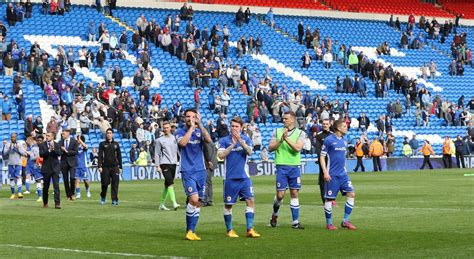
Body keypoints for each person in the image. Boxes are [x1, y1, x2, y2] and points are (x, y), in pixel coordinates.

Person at [218, 116, 260, 238]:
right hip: (230, 178)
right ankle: (229, 229)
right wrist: (232, 145)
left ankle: (250, 229)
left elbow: (250, 152)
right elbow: (221, 156)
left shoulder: (246, 139)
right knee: (228, 205)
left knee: (250, 200)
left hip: (244, 177)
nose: (234, 128)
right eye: (232, 126)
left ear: (241, 128)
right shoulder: (224, 140)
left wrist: (240, 141)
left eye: (236, 126)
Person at [176, 109, 212, 241]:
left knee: (197, 202)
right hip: (187, 171)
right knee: (194, 199)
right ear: (184, 118)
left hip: (201, 171)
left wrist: (200, 125)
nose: (190, 118)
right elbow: (183, 143)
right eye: (188, 116)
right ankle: (190, 230)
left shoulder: (199, 131)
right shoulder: (180, 132)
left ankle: (191, 230)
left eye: (193, 116)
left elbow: (208, 140)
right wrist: (191, 128)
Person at [268, 111, 305, 229]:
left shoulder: (300, 133)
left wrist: (286, 139)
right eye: (283, 119)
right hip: (281, 166)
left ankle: (295, 222)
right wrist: (281, 140)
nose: (284, 120)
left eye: (286, 119)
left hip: (294, 166)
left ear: (292, 120)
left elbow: (298, 148)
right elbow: (270, 148)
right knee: (280, 195)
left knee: (294, 193)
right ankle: (275, 214)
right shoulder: (277, 131)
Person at [319, 120, 357, 230]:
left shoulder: (345, 140)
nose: (346, 128)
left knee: (351, 194)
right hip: (332, 174)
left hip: (343, 174)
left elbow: (342, 158)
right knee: (329, 200)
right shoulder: (328, 140)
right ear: (338, 128)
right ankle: (329, 223)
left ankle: (345, 221)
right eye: (344, 126)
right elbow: (322, 157)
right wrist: (325, 172)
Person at [155, 121, 180, 211]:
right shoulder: (159, 140)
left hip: (173, 163)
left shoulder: (175, 138)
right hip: (164, 163)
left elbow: (178, 151)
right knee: (170, 183)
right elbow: (157, 154)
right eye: (164, 128)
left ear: (170, 128)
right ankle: (174, 203)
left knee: (167, 184)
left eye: (167, 127)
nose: (165, 129)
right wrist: (157, 166)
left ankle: (162, 204)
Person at [98, 128, 123, 205]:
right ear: (106, 134)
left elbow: (119, 156)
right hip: (105, 167)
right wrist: (99, 166)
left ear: (112, 134)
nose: (108, 134)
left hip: (115, 167)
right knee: (104, 183)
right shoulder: (102, 144)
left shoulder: (116, 144)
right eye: (107, 133)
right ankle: (103, 196)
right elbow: (100, 156)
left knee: (115, 184)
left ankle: (114, 200)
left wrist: (120, 167)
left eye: (110, 133)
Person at [39, 132, 62, 209]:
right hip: (46, 169)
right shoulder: (42, 144)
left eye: (48, 136)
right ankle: (45, 202)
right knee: (46, 187)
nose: (47, 137)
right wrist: (49, 150)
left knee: (56, 186)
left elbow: (59, 153)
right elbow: (41, 154)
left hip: (55, 168)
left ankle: (57, 203)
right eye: (46, 136)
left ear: (52, 137)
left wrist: (54, 149)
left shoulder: (57, 144)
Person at [3, 133, 27, 199]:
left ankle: (19, 193)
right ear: (10, 138)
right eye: (12, 137)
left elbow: (23, 153)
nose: (13, 138)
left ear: (16, 137)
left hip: (18, 164)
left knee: (18, 177)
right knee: (11, 179)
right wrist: (9, 148)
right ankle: (13, 194)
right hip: (10, 163)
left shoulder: (19, 144)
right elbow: (4, 153)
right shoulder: (7, 144)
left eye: (14, 137)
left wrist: (18, 149)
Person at [315, 119, 332, 204]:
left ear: (329, 124)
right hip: (323, 161)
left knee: (333, 180)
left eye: (327, 124)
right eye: (324, 124)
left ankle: (331, 198)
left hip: (332, 162)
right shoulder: (319, 135)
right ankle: (324, 201)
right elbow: (318, 149)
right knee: (323, 181)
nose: (325, 125)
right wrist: (320, 160)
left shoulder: (333, 135)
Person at [59, 129, 79, 200]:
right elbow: (59, 152)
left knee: (72, 178)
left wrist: (66, 151)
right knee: (65, 179)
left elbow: (75, 152)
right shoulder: (60, 142)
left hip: (72, 162)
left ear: (68, 133)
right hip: (64, 162)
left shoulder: (74, 141)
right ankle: (68, 195)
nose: (62, 135)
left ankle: (72, 193)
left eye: (63, 133)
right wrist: (61, 151)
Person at [26, 135, 44, 202]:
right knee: (38, 181)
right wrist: (37, 158)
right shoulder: (34, 148)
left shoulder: (46, 147)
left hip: (45, 166)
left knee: (46, 182)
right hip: (37, 167)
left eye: (40, 140)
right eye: (38, 140)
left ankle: (45, 195)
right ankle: (40, 197)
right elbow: (31, 157)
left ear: (42, 141)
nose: (39, 142)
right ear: (36, 141)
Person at [202, 139, 218, 207]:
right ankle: (209, 200)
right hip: (211, 164)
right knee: (209, 183)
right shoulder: (211, 142)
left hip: (208, 165)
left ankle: (205, 200)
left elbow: (208, 153)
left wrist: (208, 164)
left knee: (206, 183)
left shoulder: (206, 143)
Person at [75, 135, 91, 199]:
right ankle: (78, 194)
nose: (77, 140)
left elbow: (86, 147)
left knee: (86, 181)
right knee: (77, 180)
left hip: (83, 166)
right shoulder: (75, 147)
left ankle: (87, 191)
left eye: (78, 139)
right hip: (76, 166)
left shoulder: (83, 146)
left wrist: (80, 140)